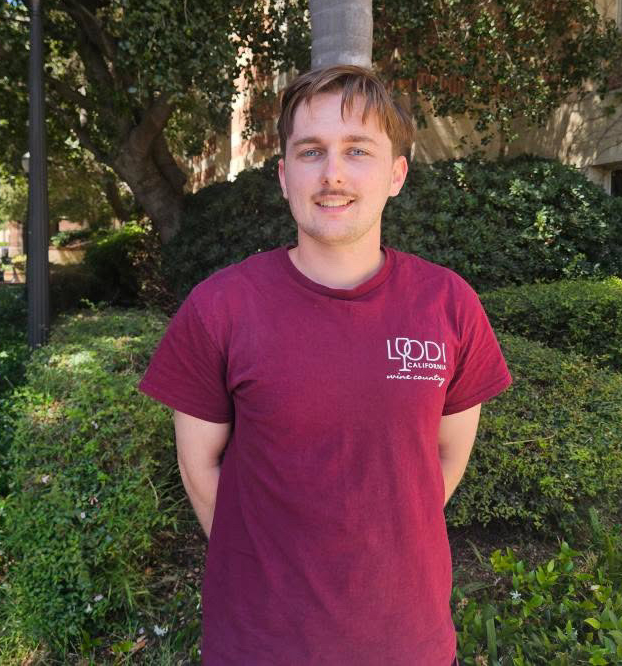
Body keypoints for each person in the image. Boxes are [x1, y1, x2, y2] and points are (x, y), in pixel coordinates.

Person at [138, 65, 511, 665]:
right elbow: (200, 471)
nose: (332, 173)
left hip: (408, 640)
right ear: (285, 176)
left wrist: (379, 546)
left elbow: (444, 462)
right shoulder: (220, 307)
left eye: (357, 151)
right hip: (259, 643)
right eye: (311, 152)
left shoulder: (449, 304)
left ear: (396, 175)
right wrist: (275, 574)